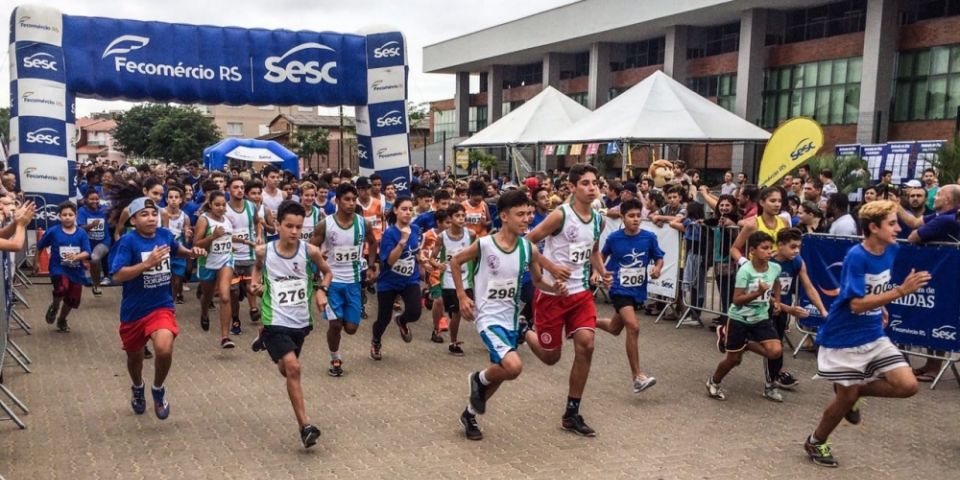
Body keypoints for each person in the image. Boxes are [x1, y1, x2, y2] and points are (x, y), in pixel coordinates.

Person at [804, 200, 928, 467]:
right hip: (844, 336)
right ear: (873, 227)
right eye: (892, 223)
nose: (898, 228)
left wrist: (882, 304)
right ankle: (816, 441)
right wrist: (898, 293)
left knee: (908, 385)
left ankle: (857, 389)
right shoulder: (856, 257)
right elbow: (855, 304)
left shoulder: (892, 249)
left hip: (873, 333)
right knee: (845, 398)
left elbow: (875, 288)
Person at [451, 190, 566, 440]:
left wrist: (554, 288)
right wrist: (462, 296)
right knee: (513, 367)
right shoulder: (485, 245)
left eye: (529, 214)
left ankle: (469, 414)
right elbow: (455, 261)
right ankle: (477, 378)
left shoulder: (529, 249)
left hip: (512, 319)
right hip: (488, 319)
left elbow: (538, 281)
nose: (527, 219)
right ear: (504, 216)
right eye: (520, 214)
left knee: (500, 372)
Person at [524, 163, 612, 437]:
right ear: (572, 188)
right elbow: (527, 242)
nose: (591, 187)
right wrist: (549, 269)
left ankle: (571, 413)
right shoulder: (559, 216)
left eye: (594, 182)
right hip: (552, 295)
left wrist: (601, 270)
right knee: (551, 358)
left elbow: (593, 250)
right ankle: (523, 330)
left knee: (586, 345)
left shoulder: (599, 219)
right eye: (584, 183)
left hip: (581, 294)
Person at [110, 197, 205, 420]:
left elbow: (176, 249)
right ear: (133, 220)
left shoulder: (164, 235)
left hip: (161, 306)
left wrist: (191, 253)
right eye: (144, 214)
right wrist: (146, 264)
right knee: (135, 359)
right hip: (134, 311)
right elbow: (117, 274)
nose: (151, 218)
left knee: (164, 348)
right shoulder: (128, 242)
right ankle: (137, 387)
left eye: (153, 213)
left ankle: (158, 389)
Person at [249, 200, 333, 449]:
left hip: (300, 321)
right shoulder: (265, 251)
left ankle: (276, 354)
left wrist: (321, 290)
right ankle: (305, 426)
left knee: (287, 369)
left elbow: (327, 272)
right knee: (294, 368)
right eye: (289, 226)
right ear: (278, 224)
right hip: (273, 319)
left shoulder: (310, 251)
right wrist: (254, 284)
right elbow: (256, 269)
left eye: (298, 227)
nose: (294, 231)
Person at [308, 183, 378, 376]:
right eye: (346, 199)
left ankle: (339, 344)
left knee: (351, 328)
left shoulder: (364, 224)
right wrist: (316, 274)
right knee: (335, 324)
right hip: (332, 282)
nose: (350, 203)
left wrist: (372, 265)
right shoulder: (325, 224)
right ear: (337, 201)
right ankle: (335, 358)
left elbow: (372, 243)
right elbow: (311, 248)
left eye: (353, 199)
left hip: (354, 282)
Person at [596, 199, 663, 393]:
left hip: (636, 290)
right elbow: (601, 256)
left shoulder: (649, 237)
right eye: (631, 216)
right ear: (622, 217)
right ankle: (637, 377)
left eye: (638, 216)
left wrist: (657, 269)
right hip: (618, 287)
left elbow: (659, 257)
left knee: (614, 328)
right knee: (633, 326)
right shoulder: (614, 238)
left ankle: (583, 322)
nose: (635, 220)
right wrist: (599, 272)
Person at [708, 231, 783, 402]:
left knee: (775, 351)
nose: (769, 252)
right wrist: (759, 292)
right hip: (739, 319)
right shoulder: (745, 271)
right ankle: (714, 381)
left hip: (761, 318)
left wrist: (777, 301)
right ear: (753, 251)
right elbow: (737, 300)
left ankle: (747, 345)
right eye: (764, 248)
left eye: (770, 248)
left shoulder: (775, 267)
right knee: (733, 360)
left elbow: (777, 282)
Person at [765, 228, 828, 396]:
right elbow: (764, 295)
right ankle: (771, 382)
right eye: (793, 247)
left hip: (782, 309)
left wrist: (823, 311)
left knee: (777, 342)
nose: (797, 250)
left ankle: (776, 374)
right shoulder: (768, 262)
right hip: (764, 309)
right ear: (780, 245)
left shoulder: (797, 261)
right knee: (772, 345)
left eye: (799, 246)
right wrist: (790, 309)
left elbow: (809, 286)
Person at [370, 196, 423, 360]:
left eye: (410, 209)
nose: (408, 213)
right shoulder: (389, 234)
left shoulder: (415, 229)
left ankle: (401, 320)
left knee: (415, 312)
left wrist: (424, 261)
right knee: (383, 319)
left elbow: (416, 251)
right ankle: (376, 341)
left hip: (409, 279)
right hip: (388, 282)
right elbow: (390, 261)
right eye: (404, 209)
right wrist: (402, 241)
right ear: (395, 210)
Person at [37, 202, 92, 332]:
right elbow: (40, 246)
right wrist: (37, 263)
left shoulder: (81, 233)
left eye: (70, 215)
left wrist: (77, 257)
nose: (67, 217)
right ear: (59, 217)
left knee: (72, 299)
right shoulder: (53, 232)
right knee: (62, 288)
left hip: (76, 270)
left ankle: (62, 319)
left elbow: (87, 252)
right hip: (58, 268)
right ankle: (55, 306)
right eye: (64, 215)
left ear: (75, 216)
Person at [193, 190, 237, 348]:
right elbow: (196, 244)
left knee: (225, 296)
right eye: (217, 205)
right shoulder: (204, 220)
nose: (221, 208)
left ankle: (225, 337)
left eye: (223, 205)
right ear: (210, 205)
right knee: (207, 295)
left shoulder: (227, 219)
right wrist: (213, 237)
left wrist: (231, 247)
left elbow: (228, 238)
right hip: (208, 263)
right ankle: (204, 312)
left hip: (226, 260)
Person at [436, 205, 474, 355]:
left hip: (467, 279)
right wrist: (437, 264)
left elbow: (476, 254)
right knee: (457, 313)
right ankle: (453, 342)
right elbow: (433, 257)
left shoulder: (471, 235)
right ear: (450, 218)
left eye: (463, 216)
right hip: (449, 280)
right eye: (457, 216)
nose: (461, 219)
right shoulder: (442, 237)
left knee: (471, 309)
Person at [226, 177, 263, 330]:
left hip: (249, 255)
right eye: (236, 187)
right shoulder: (225, 209)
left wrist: (259, 235)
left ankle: (253, 309)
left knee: (251, 285)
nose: (240, 190)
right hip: (231, 256)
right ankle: (235, 318)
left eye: (242, 187)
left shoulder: (251, 206)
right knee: (233, 293)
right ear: (229, 190)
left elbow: (257, 222)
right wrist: (245, 241)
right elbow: (223, 232)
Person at [730, 187, 787, 265]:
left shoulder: (784, 222)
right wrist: (745, 263)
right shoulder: (752, 225)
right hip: (758, 272)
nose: (777, 204)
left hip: (780, 269)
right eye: (772, 201)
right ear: (762, 202)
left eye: (779, 201)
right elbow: (734, 249)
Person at [77, 189, 111, 296]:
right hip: (88, 243)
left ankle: (96, 285)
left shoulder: (104, 210)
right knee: (93, 262)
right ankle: (95, 284)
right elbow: (81, 228)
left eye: (97, 199)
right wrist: (92, 225)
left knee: (95, 259)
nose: (94, 201)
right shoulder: (82, 211)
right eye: (91, 199)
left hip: (104, 241)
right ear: (86, 200)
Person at [161, 186, 191, 304]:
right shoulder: (160, 214)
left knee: (177, 281)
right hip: (164, 251)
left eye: (176, 197)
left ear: (181, 200)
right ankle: (165, 303)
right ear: (167, 199)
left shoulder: (185, 217)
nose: (173, 199)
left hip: (178, 251)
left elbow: (187, 238)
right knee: (165, 281)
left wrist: (188, 235)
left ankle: (171, 304)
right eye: (170, 197)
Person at [261, 166, 284, 240]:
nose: (276, 180)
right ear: (265, 178)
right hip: (266, 231)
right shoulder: (260, 195)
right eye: (273, 177)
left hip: (280, 231)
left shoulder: (283, 194)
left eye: (277, 177)